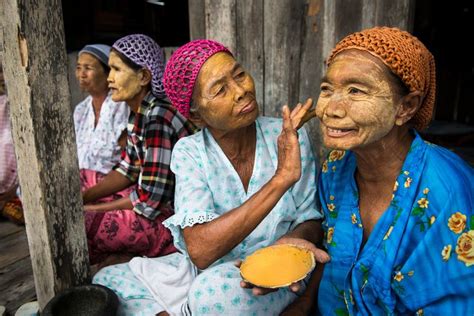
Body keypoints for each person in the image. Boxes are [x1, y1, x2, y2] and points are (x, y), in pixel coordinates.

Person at [93, 39, 329, 315]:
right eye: (220, 89)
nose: (242, 91)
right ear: (196, 113)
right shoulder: (190, 151)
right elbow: (201, 252)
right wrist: (280, 180)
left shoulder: (289, 136)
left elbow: (310, 219)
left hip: (277, 272)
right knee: (107, 281)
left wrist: (291, 242)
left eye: (239, 74)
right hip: (209, 270)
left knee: (209, 294)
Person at [287, 26, 474, 315]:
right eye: (327, 89)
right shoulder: (336, 166)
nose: (331, 109)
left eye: (356, 90)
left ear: (406, 107)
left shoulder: (446, 191)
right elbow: (329, 246)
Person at [82, 34, 197, 266]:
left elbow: (149, 201)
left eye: (116, 70)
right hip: (151, 198)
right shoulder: (138, 114)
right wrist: (84, 197)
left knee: (83, 223)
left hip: (173, 218)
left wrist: (93, 209)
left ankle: (151, 249)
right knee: (82, 177)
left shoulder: (158, 117)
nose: (109, 78)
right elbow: (127, 171)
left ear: (144, 76)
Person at [74, 44, 132, 208]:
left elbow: (128, 165)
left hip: (110, 186)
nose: (81, 74)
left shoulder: (121, 106)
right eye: (78, 68)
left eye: (88, 68)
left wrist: (85, 196)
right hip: (81, 183)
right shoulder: (80, 110)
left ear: (107, 73)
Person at [0, 60, 23, 225]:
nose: (2, 77)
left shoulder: (19, 106)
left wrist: (14, 190)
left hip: (15, 191)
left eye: (3, 70)